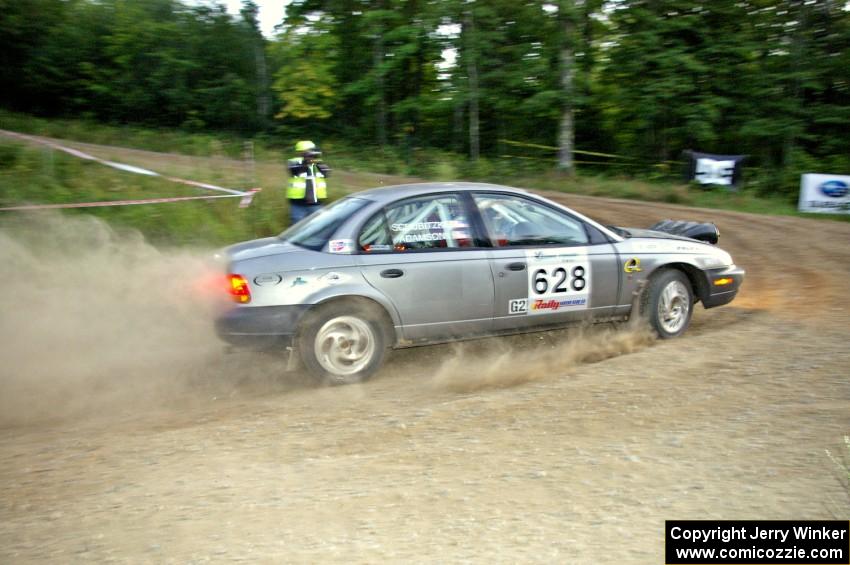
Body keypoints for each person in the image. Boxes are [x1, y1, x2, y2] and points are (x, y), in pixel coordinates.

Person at [286, 140, 330, 224]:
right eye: (309, 152)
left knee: (318, 226)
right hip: (298, 203)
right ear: (300, 152)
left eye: (312, 152)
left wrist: (316, 162)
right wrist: (306, 162)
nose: (311, 154)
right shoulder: (293, 162)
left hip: (316, 203)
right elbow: (294, 171)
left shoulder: (318, 163)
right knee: (297, 228)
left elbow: (326, 173)